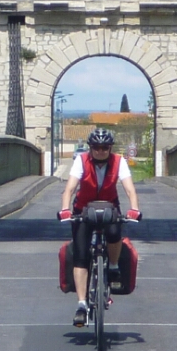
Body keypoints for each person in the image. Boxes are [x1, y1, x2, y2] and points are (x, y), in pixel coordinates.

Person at [58, 127, 141, 327]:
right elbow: (70, 188)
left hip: (110, 207)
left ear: (110, 148)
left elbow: (129, 189)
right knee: (80, 255)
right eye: (96, 147)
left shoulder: (119, 162)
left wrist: (134, 209)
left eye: (105, 147)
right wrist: (65, 209)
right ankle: (81, 304)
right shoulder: (81, 161)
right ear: (91, 148)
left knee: (114, 232)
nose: (101, 151)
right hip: (83, 209)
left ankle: (112, 266)